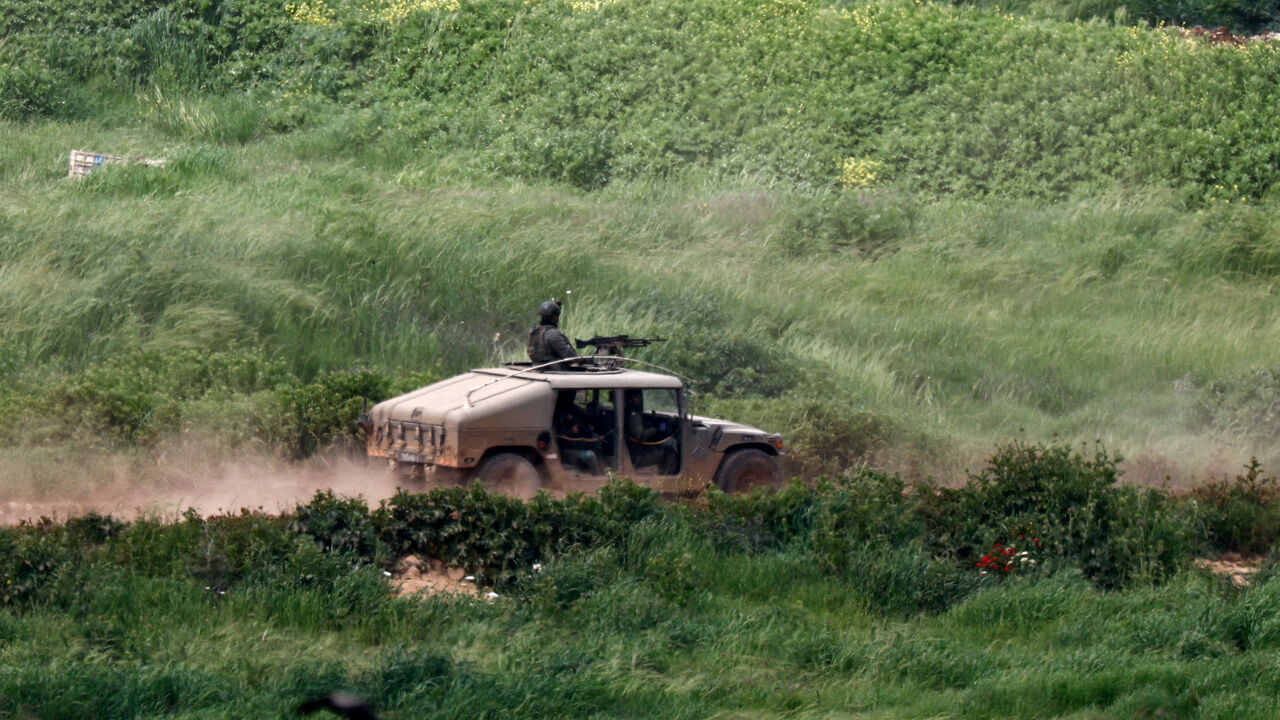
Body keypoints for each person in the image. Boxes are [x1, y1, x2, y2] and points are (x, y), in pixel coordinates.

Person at [623, 390, 678, 473]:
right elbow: (640, 436)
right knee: (670, 446)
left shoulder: (628, 413)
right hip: (637, 456)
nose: (639, 400)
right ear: (630, 400)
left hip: (634, 451)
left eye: (639, 397)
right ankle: (670, 476)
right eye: (637, 397)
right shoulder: (633, 416)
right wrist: (655, 429)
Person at [555, 391, 603, 475]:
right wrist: (570, 431)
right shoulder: (556, 414)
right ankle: (597, 478)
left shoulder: (572, 409)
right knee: (590, 455)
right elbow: (557, 435)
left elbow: (585, 418)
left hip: (575, 444)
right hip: (564, 451)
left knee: (595, 440)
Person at [527, 301, 578, 365]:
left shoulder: (533, 332)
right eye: (557, 316)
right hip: (555, 370)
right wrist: (584, 360)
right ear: (553, 316)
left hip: (536, 367)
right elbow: (570, 357)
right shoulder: (553, 334)